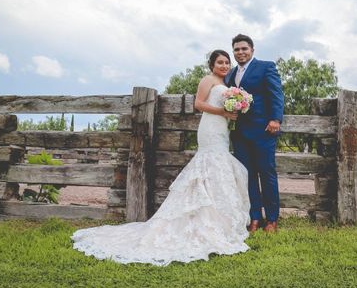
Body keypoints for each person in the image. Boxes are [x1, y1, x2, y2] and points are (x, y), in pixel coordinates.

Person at [71, 50, 250, 266]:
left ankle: (217, 218)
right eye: (219, 62)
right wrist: (223, 113)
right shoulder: (208, 80)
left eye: (226, 62)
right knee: (210, 163)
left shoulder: (226, 83)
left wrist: (236, 107)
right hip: (210, 128)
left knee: (218, 167)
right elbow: (199, 104)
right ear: (212, 65)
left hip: (221, 130)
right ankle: (200, 219)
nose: (223, 65)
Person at [225, 34, 284, 233]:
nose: (240, 52)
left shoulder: (266, 67)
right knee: (247, 176)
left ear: (252, 50)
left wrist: (276, 119)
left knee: (267, 173)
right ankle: (255, 217)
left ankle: (272, 220)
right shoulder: (230, 74)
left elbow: (276, 93)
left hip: (264, 130)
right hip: (240, 133)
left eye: (244, 49)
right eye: (236, 49)